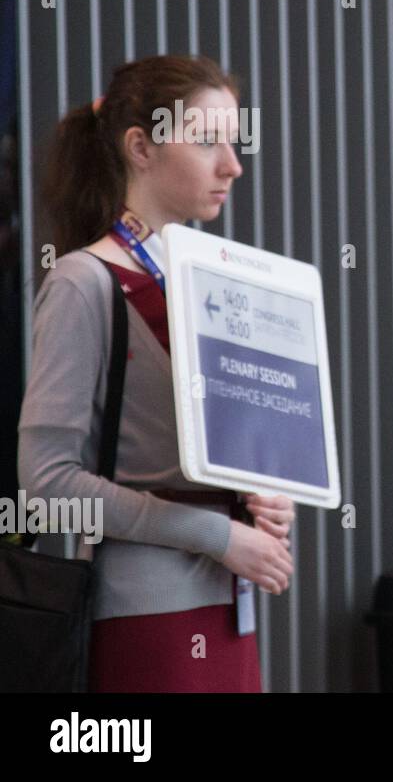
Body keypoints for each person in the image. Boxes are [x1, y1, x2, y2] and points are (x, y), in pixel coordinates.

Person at [18, 55, 295, 692]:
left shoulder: (210, 284)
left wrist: (264, 500)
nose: (233, 164)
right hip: (146, 615)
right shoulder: (84, 282)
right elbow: (46, 485)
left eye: (234, 141)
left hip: (233, 608)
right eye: (207, 141)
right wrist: (214, 533)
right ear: (139, 147)